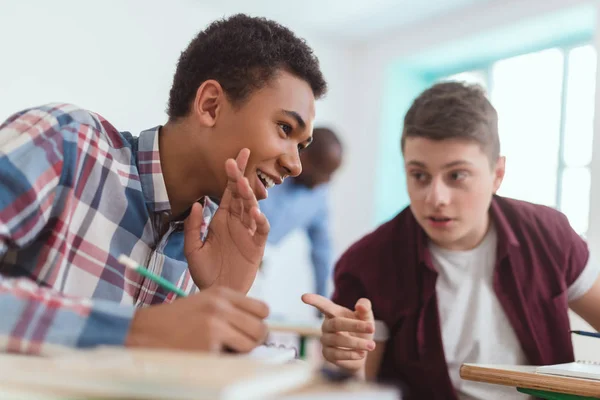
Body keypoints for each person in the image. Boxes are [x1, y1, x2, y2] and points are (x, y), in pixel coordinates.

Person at [0, 14, 327, 356]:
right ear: (210, 106)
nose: (295, 165)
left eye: (302, 146)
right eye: (286, 129)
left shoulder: (220, 238)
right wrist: (138, 331)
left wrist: (224, 296)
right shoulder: (65, 140)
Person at [302, 81, 600, 399]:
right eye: (419, 175)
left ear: (497, 174)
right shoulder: (368, 262)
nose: (436, 198)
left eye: (456, 175)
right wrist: (348, 363)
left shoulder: (548, 234)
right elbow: (360, 386)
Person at [258, 127, 342, 298]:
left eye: (329, 175)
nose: (325, 181)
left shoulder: (318, 196)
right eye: (322, 171)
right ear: (303, 154)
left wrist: (324, 302)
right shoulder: (266, 168)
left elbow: (322, 252)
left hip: (256, 266)